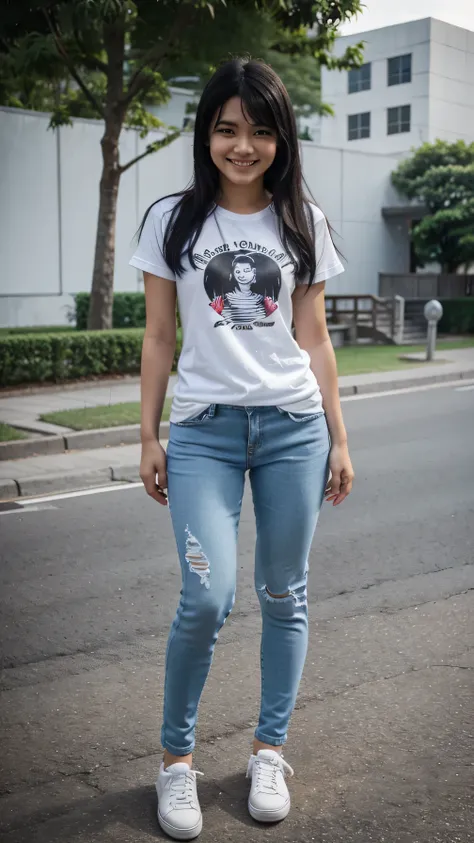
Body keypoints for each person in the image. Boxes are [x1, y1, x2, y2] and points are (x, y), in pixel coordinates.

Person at [130, 57, 354, 841]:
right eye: (228, 129)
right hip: (203, 432)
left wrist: (338, 434)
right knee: (207, 595)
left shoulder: (303, 223)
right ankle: (176, 762)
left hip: (293, 427)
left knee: (284, 593)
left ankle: (268, 750)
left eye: (260, 130)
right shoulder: (172, 220)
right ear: (207, 134)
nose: (243, 145)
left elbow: (315, 338)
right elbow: (160, 336)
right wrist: (149, 433)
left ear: (280, 139)